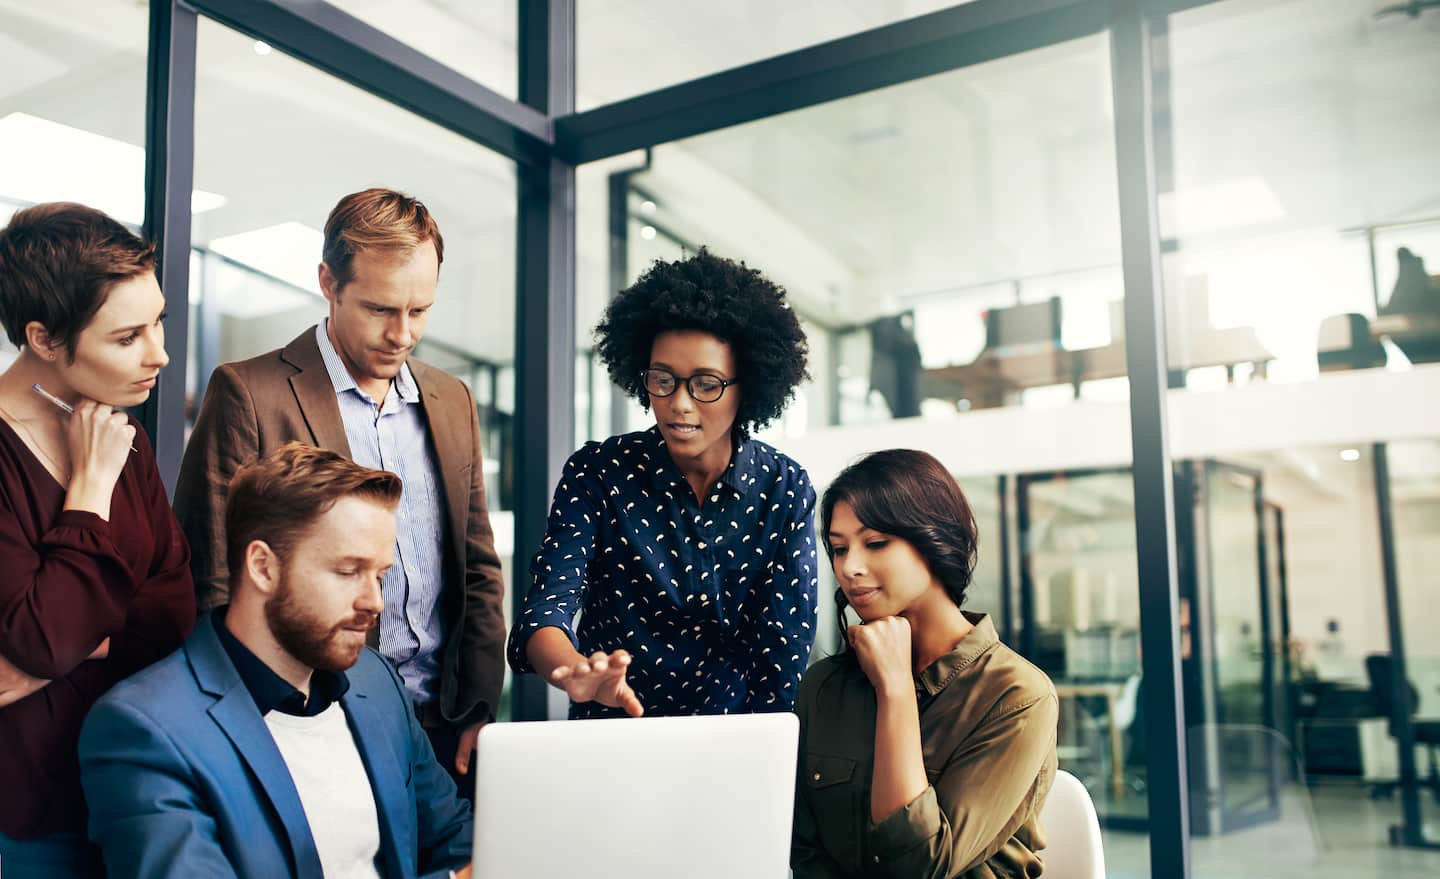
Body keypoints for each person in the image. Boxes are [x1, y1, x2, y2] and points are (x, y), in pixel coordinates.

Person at [174, 188, 506, 788]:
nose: (403, 334)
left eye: (420, 311)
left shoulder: (451, 399)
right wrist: (256, 719)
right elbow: (212, 576)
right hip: (310, 717)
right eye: (380, 309)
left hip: (445, 725)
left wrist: (480, 705)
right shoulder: (250, 393)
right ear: (329, 282)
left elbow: (477, 563)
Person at [81, 443, 473, 879]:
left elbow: (459, 841)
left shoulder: (376, 683)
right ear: (263, 567)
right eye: (347, 572)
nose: (374, 601)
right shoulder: (144, 728)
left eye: (379, 575)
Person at [508, 248, 818, 718]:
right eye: (663, 380)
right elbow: (545, 609)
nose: (680, 404)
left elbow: (783, 656)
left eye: (707, 384)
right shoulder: (599, 473)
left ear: (748, 385)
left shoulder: (784, 489)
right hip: (611, 739)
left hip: (731, 747)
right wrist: (573, 672)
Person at [0, 202, 195, 877]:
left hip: (138, 792)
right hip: (27, 818)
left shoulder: (126, 437)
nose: (160, 354)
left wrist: (70, 641)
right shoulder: (92, 451)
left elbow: (171, 618)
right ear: (44, 338)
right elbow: (41, 638)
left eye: (159, 322)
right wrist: (88, 490)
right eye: (127, 337)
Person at [793, 449, 1058, 879]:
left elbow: (920, 867)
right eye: (839, 549)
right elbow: (803, 851)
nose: (850, 568)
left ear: (935, 541)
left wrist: (894, 688)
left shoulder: (1018, 696)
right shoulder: (824, 686)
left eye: (876, 543)